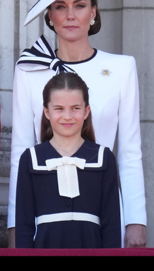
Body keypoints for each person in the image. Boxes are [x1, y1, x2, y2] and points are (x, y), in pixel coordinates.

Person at [8, 0, 147, 248]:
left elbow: (130, 153)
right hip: (45, 212)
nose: (70, 15)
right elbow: (22, 148)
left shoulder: (122, 68)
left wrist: (136, 220)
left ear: (94, 12)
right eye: (60, 6)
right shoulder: (29, 68)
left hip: (104, 208)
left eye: (80, 5)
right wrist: (16, 225)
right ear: (50, 16)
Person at [15, 72, 121, 248]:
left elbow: (111, 226)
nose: (67, 116)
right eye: (59, 109)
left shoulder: (104, 158)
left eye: (75, 108)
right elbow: (24, 227)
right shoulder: (31, 159)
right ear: (46, 112)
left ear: (86, 111)